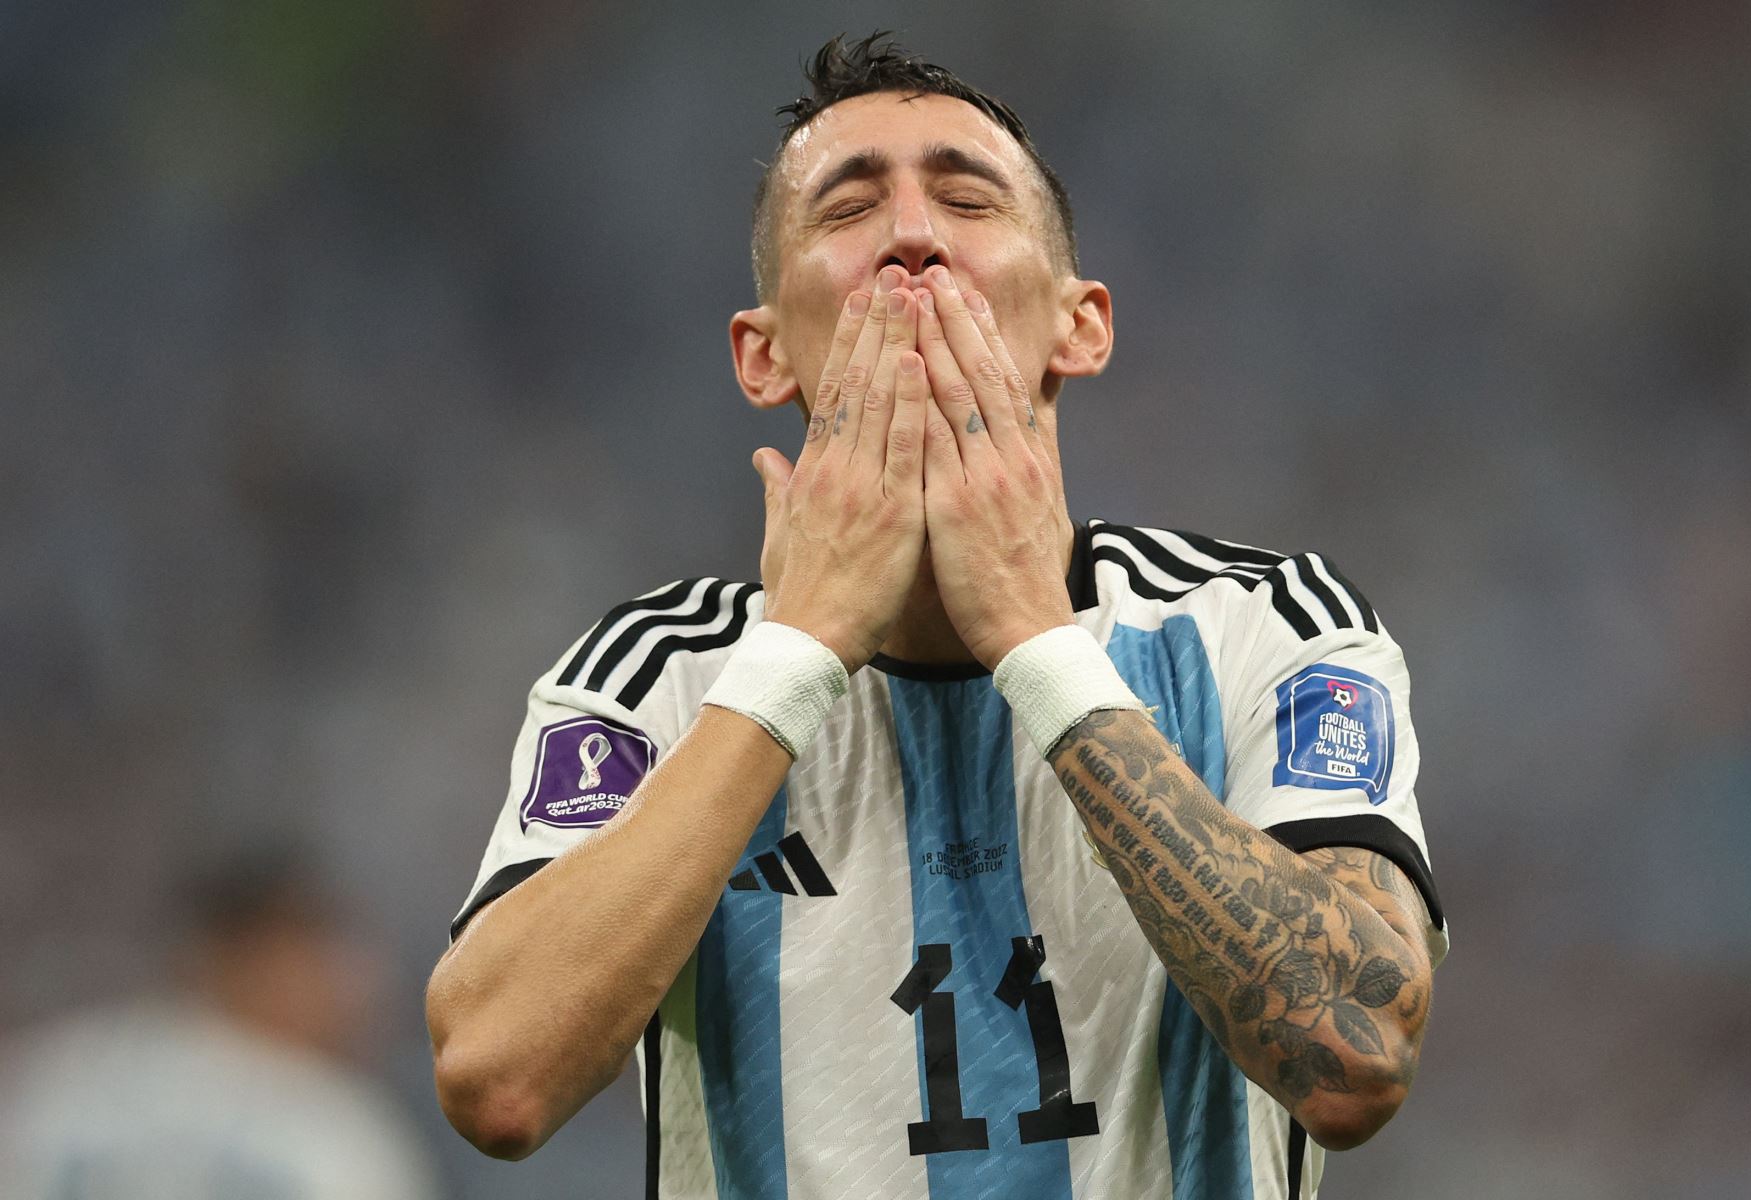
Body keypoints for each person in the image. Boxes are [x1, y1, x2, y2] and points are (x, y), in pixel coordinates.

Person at [426, 32, 1448, 1200]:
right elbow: (498, 1082)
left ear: (1082, 326)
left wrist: (1038, 646)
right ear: (762, 356)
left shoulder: (1262, 627)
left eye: (967, 198)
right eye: (848, 209)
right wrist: (794, 658)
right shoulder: (658, 679)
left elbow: (1355, 1057)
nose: (913, 236)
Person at [0, 851, 440, 1200]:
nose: (358, 989)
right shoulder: (329, 1127)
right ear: (255, 959)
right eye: (326, 961)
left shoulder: (43, 1081)